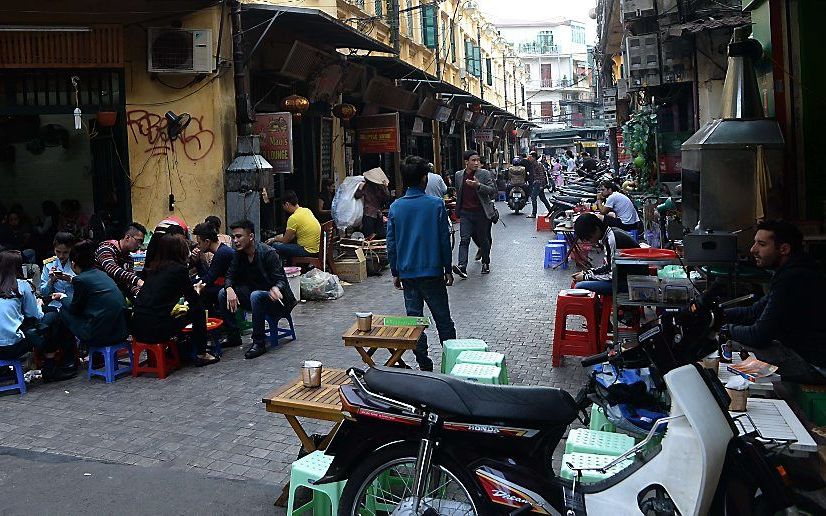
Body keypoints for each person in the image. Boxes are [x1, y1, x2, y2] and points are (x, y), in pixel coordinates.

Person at [723, 220, 826, 384]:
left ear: (784, 249)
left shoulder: (794, 278)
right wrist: (717, 314)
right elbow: (753, 312)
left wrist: (724, 329)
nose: (753, 250)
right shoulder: (791, 271)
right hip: (796, 351)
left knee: (729, 345)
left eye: (761, 244)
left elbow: (759, 335)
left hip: (813, 365)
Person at [387, 156, 457, 371]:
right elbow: (444, 239)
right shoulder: (435, 204)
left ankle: (424, 363)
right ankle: (451, 362)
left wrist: (395, 271)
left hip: (408, 274)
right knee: (443, 320)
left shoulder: (396, 207)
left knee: (415, 322)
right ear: (424, 178)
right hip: (432, 273)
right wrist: (447, 268)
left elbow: (392, 243)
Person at [131, 233, 219, 367]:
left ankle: (181, 349)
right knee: (199, 311)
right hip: (156, 331)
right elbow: (193, 299)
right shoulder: (178, 270)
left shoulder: (154, 269)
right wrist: (199, 290)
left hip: (137, 329)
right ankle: (202, 354)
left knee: (179, 312)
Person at [219, 220, 297, 359]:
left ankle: (259, 343)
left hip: (276, 300)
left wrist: (276, 288)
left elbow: (281, 280)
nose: (235, 241)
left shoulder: (268, 253)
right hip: (254, 297)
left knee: (255, 295)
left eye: (239, 236)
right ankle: (233, 336)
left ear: (251, 236)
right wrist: (229, 288)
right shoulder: (239, 254)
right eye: (234, 237)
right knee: (223, 293)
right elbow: (230, 275)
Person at [0, 249, 74, 382]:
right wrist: (38, 303)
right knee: (52, 317)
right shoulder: (22, 285)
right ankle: (51, 367)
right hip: (12, 346)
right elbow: (35, 315)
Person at [48, 240, 128, 351]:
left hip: (100, 336)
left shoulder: (80, 280)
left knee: (63, 312)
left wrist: (62, 297)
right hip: (121, 333)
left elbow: (75, 309)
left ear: (73, 264)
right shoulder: (102, 274)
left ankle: (68, 357)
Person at [571, 213, 644, 295]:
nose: (589, 241)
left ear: (596, 229)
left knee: (580, 286)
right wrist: (588, 273)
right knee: (582, 281)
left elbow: (612, 275)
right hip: (624, 278)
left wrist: (585, 277)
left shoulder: (612, 240)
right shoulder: (610, 234)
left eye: (588, 237)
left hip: (632, 282)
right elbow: (609, 266)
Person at [452, 150, 497, 277]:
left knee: (484, 239)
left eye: (478, 160)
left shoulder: (485, 174)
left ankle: (485, 263)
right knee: (464, 239)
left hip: (481, 212)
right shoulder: (459, 175)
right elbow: (458, 192)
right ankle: (462, 266)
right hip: (466, 213)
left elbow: (492, 191)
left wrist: (478, 186)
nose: (477, 163)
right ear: (466, 162)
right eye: (473, 160)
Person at [192, 222, 235, 340]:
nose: (198, 246)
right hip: (224, 286)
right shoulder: (220, 252)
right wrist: (198, 261)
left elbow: (207, 280)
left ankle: (214, 329)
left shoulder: (222, 253)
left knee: (202, 294)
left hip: (233, 289)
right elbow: (208, 276)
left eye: (199, 243)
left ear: (207, 242)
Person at [95, 222, 147, 299]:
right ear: (127, 237)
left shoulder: (129, 257)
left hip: (114, 293)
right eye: (138, 241)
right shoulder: (106, 248)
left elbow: (128, 282)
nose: (139, 245)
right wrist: (137, 281)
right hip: (99, 292)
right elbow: (112, 269)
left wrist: (140, 293)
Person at [266, 190, 321, 262]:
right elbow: (290, 236)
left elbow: (285, 240)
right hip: (317, 248)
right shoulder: (306, 210)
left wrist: (274, 239)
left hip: (307, 250)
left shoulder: (293, 218)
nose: (283, 209)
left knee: (275, 246)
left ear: (287, 204)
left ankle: (282, 267)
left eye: (283, 206)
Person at [40, 232, 78, 309]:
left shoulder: (77, 263)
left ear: (71, 250)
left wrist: (70, 280)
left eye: (65, 252)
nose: (61, 256)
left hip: (74, 303)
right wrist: (51, 281)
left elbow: (86, 287)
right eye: (58, 251)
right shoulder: (49, 264)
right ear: (54, 249)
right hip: (55, 305)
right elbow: (43, 293)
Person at [355, 167, 392, 240]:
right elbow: (387, 198)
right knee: (380, 236)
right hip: (378, 214)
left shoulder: (366, 186)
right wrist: (385, 187)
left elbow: (357, 195)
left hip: (368, 214)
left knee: (368, 237)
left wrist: (360, 188)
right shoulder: (381, 188)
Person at [525, 152, 553, 219]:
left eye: (530, 157)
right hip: (537, 183)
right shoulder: (533, 164)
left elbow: (541, 175)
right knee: (543, 198)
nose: (529, 158)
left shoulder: (538, 164)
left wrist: (541, 185)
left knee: (533, 197)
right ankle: (551, 211)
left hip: (538, 183)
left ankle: (534, 213)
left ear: (534, 157)